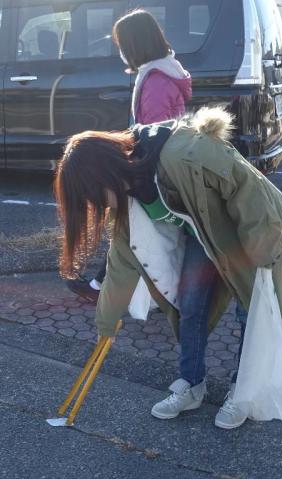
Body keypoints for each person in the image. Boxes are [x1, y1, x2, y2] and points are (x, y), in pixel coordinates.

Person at [53, 107, 282, 429]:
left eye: (93, 194)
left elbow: (247, 188)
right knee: (191, 304)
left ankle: (242, 391)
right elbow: (122, 260)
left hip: (250, 232)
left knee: (250, 309)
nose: (97, 204)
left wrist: (263, 250)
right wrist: (107, 321)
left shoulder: (184, 154)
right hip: (204, 235)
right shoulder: (128, 192)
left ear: (105, 172)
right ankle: (191, 385)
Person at [66, 9, 192, 302]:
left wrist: (134, 172)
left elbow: (154, 135)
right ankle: (104, 286)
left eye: (122, 44)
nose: (121, 52)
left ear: (136, 43)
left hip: (153, 173)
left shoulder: (156, 82)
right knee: (134, 234)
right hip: (161, 169)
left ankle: (108, 289)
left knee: (132, 234)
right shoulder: (164, 71)